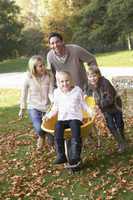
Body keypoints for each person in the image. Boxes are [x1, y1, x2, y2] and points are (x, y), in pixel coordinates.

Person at [44, 71, 94, 165]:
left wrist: (90, 111)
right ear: (58, 83)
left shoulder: (77, 90)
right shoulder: (57, 93)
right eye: (62, 82)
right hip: (62, 119)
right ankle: (61, 155)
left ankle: (75, 155)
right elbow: (55, 108)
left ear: (71, 81)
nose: (65, 83)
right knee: (57, 127)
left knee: (75, 126)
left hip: (75, 118)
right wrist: (48, 115)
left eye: (67, 81)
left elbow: (83, 104)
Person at [86, 66, 127, 153]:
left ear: (99, 75)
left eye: (94, 76)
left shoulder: (105, 83)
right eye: (90, 76)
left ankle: (122, 137)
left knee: (119, 123)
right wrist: (86, 96)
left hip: (115, 106)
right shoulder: (90, 85)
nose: (92, 78)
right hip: (106, 110)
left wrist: (98, 105)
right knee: (111, 125)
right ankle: (121, 143)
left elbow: (110, 99)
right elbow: (88, 92)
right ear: (88, 78)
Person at [18, 55, 54, 150]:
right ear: (34, 68)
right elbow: (24, 94)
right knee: (39, 128)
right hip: (33, 107)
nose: (43, 67)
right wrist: (22, 108)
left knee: (50, 129)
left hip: (47, 107)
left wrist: (54, 102)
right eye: (40, 66)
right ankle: (41, 136)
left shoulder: (49, 76)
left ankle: (49, 136)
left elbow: (51, 92)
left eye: (43, 65)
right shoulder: (28, 78)